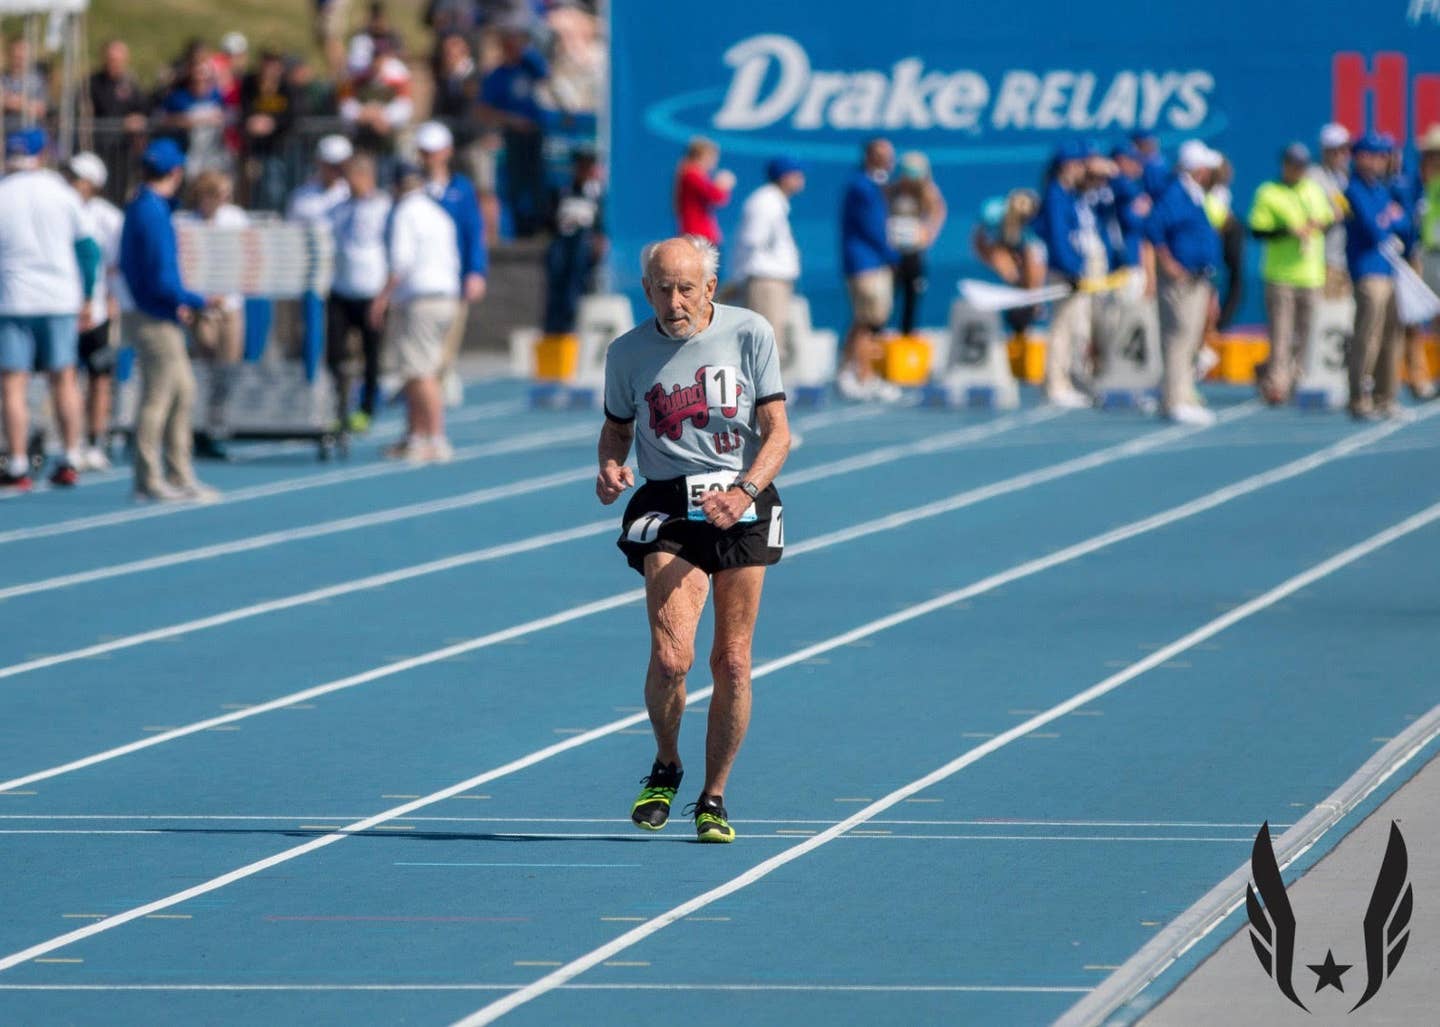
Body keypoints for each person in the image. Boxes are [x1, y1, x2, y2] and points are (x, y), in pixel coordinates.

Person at [597, 235, 790, 844]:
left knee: (731, 660)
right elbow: (615, 430)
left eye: (687, 288)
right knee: (672, 658)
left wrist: (745, 494)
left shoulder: (750, 332)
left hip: (743, 499)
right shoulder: (627, 353)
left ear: (710, 288)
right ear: (646, 289)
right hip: (668, 504)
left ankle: (714, 796)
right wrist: (609, 466)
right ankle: (666, 764)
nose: (674, 301)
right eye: (662, 288)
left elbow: (779, 434)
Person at [119, 138, 221, 503]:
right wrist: (197, 299)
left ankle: (178, 474)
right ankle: (149, 479)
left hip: (156, 310)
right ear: (175, 172)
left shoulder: (145, 207)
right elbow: (161, 276)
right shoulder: (151, 210)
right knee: (159, 396)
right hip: (153, 315)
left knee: (182, 391)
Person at [0, 129, 96, 491]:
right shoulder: (61, 192)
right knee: (64, 378)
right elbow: (88, 249)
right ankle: (71, 455)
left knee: (12, 382)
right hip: (58, 296)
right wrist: (88, 296)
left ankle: (19, 462)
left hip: (12, 296)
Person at [368, 161, 460, 461]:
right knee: (419, 368)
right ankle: (416, 435)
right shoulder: (438, 213)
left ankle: (435, 437)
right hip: (445, 296)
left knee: (421, 371)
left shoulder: (406, 213)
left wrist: (381, 298)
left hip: (421, 298)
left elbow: (401, 262)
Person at [1247, 143, 1334, 405]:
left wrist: (1319, 224)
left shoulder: (1313, 190)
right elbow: (1257, 230)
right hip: (1280, 275)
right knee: (1281, 333)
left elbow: (1329, 219)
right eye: (1293, 165)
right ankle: (1277, 384)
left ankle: (1291, 376)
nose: (1297, 170)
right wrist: (1288, 231)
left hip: (1311, 274)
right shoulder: (1268, 192)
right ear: (1284, 165)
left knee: (1305, 334)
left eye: (1302, 166)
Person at [1147, 140, 1223, 425]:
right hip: (1181, 280)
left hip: (1197, 277)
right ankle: (1175, 399)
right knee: (1178, 336)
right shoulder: (1176, 192)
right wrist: (1168, 262)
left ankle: (1182, 394)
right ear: (1198, 169)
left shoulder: (1192, 193)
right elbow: (1154, 226)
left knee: (1189, 337)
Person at [414, 121, 487, 407]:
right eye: (425, 151)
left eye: (434, 151)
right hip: (421, 278)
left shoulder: (462, 189)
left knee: (448, 341)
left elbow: (473, 231)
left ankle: (439, 384)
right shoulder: (413, 188)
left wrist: (476, 271)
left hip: (451, 278)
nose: (430, 158)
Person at [178, 171, 249, 459]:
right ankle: (197, 428)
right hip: (200, 307)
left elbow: (245, 257)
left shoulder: (235, 219)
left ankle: (215, 424)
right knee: (202, 367)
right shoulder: (185, 221)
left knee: (227, 368)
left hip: (229, 304)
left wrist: (228, 290)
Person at [64, 152, 127, 471]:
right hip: (63, 307)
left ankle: (95, 440)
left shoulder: (109, 218)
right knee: (66, 377)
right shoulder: (60, 208)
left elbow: (115, 266)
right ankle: (71, 442)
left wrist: (111, 301)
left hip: (97, 311)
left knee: (99, 378)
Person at [1344, 132, 1410, 420]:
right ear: (1361, 157)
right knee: (1367, 335)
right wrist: (1390, 219)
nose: (1383, 160)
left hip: (1389, 269)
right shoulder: (1355, 189)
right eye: (1377, 155)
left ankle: (1386, 395)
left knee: (1391, 336)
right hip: (1368, 270)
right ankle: (1360, 396)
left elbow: (1406, 224)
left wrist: (1392, 219)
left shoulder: (1381, 189)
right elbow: (1374, 228)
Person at [1035, 140, 1104, 408]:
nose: (1082, 170)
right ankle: (1055, 383)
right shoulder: (1056, 194)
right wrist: (1071, 268)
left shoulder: (1069, 193)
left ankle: (1064, 380)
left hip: (1074, 270)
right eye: (1078, 165)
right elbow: (1058, 238)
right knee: (1062, 328)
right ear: (1067, 166)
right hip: (1065, 272)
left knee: (1074, 328)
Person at [328, 154, 392, 432]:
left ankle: (366, 408)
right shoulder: (338, 209)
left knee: (371, 354)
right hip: (341, 290)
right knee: (334, 353)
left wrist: (384, 295)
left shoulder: (384, 208)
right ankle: (336, 406)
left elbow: (393, 252)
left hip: (371, 292)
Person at [838, 137, 901, 401]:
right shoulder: (863, 187)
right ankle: (863, 376)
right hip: (866, 264)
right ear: (870, 157)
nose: (889, 159)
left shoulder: (878, 185)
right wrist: (894, 256)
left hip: (872, 262)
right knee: (869, 321)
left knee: (865, 320)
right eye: (883, 154)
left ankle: (845, 372)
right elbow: (872, 228)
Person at [478, 22, 550, 236]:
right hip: (513, 136)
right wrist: (512, 120)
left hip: (535, 133)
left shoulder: (528, 67)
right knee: (517, 183)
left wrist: (527, 51)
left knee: (537, 180)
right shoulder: (497, 76)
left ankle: (539, 224)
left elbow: (545, 73)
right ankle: (520, 228)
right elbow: (484, 109)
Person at [731, 157, 804, 352]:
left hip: (771, 281)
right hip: (766, 282)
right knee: (764, 345)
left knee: (771, 343)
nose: (801, 179)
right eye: (797, 174)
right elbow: (751, 241)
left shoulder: (773, 201)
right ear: (784, 177)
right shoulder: (765, 202)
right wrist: (740, 279)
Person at [543, 146, 606, 335]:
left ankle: (572, 319)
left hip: (582, 248)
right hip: (563, 242)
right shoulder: (562, 191)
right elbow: (549, 220)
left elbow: (599, 225)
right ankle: (555, 324)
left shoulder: (596, 194)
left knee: (576, 278)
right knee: (558, 276)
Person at [887, 150, 947, 336]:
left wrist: (928, 234)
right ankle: (878, 336)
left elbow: (938, 212)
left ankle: (907, 335)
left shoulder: (927, 192)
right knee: (887, 296)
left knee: (911, 295)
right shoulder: (892, 191)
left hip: (913, 251)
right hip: (892, 252)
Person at [971, 189, 1046, 335]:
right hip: (999, 245)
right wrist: (1001, 266)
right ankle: (1019, 296)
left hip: (1023, 249)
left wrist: (1035, 293)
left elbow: (1036, 260)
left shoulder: (1033, 227)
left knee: (1030, 270)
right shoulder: (992, 214)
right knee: (1008, 268)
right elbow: (979, 243)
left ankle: (1028, 305)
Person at [239, 50, 295, 212]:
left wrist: (272, 123)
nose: (269, 70)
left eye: (274, 65)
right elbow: (243, 111)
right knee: (251, 188)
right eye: (266, 64)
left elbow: (292, 115)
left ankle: (275, 219)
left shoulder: (286, 88)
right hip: (252, 149)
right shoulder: (249, 84)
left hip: (278, 148)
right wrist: (252, 122)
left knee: (274, 189)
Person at [1309, 123, 1353, 299]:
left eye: (1344, 149)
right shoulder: (1313, 176)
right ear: (1324, 150)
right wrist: (1332, 215)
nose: (1340, 154)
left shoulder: (1343, 177)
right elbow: (1310, 219)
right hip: (1325, 260)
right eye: (1335, 150)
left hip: (1345, 259)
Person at [673, 137, 734, 249]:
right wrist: (724, 185)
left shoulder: (693, 174)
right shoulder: (691, 175)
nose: (714, 162)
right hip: (698, 236)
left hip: (700, 235)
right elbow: (717, 197)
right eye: (713, 157)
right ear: (703, 156)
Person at [286, 134, 353, 223]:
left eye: (341, 165)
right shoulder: (301, 195)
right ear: (319, 162)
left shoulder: (356, 193)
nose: (337, 170)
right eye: (332, 165)